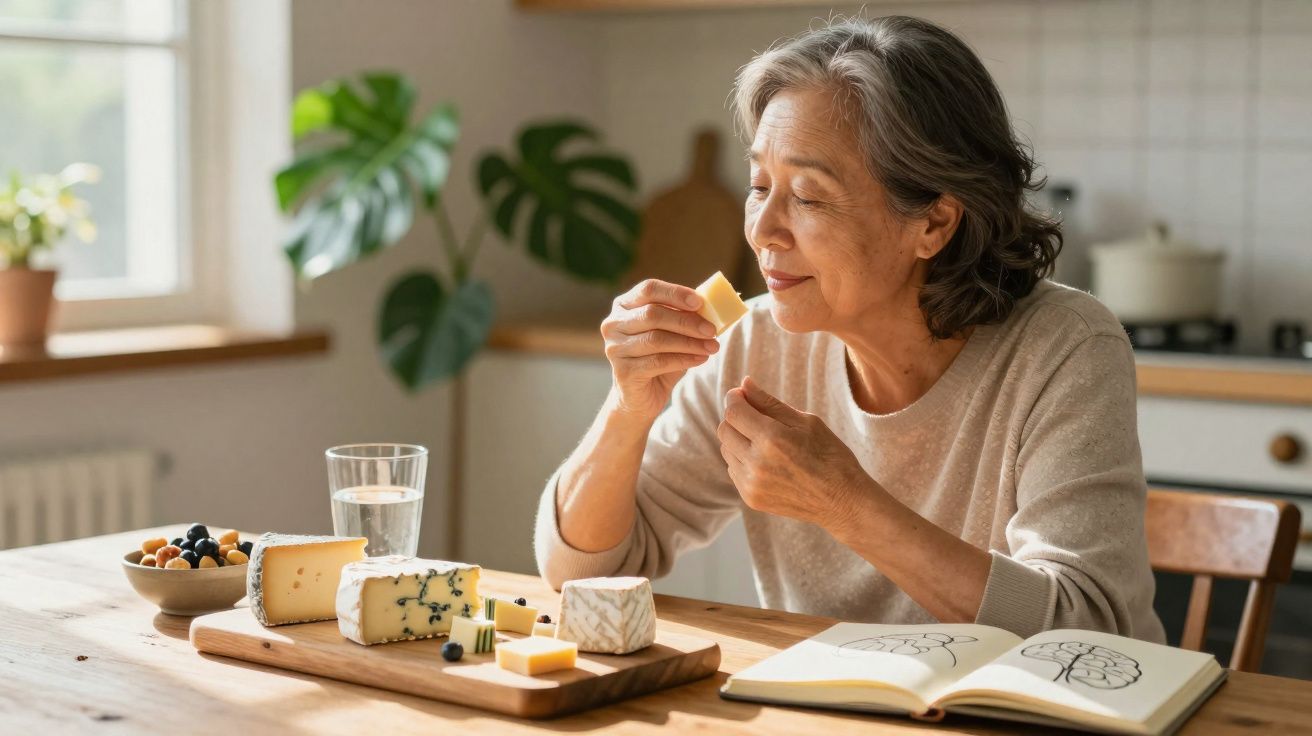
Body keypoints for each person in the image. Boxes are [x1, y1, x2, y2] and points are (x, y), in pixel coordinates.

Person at [534, 15, 1165, 642]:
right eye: (760, 185)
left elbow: (1085, 630)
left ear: (933, 224)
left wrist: (845, 504)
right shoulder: (752, 344)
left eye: (807, 197)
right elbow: (581, 571)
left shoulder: (1065, 348)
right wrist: (628, 408)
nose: (761, 229)